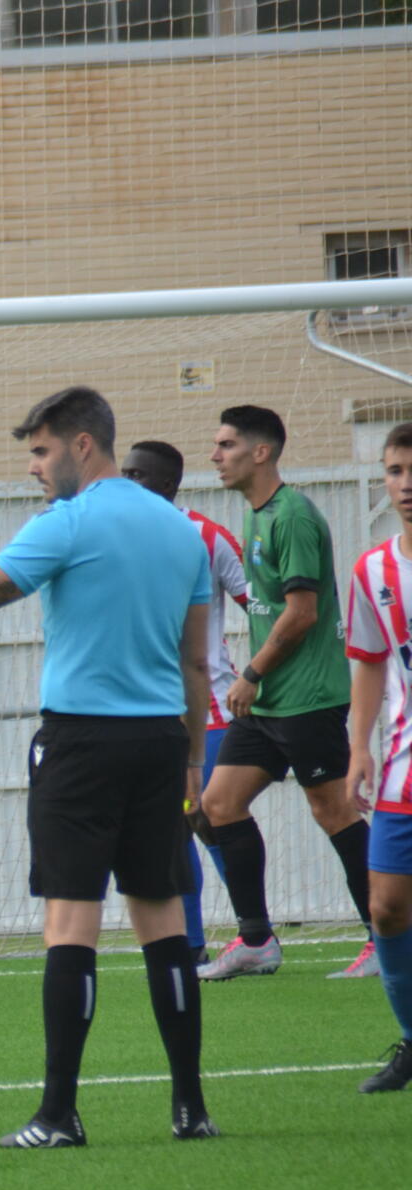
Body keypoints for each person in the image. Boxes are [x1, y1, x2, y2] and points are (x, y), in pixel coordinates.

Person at [0, 385, 215, 1147]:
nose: (36, 470)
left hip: (81, 746)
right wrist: (191, 764)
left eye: (41, 452)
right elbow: (195, 667)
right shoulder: (183, 532)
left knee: (69, 922)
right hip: (157, 746)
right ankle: (190, 1108)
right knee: (164, 921)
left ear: (84, 444)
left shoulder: (67, 524)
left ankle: (58, 1113)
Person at [199, 405, 375, 980]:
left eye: (225, 445)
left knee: (333, 812)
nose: (215, 455)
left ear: (261, 452)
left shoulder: (293, 516)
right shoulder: (255, 515)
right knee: (219, 805)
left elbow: (303, 613)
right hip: (269, 702)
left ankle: (386, 935)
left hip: (308, 699)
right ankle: (256, 941)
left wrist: (250, 673)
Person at [121, 440, 248, 964]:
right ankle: (191, 945)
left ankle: (254, 931)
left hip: (211, 709)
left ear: (169, 485)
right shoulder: (114, 538)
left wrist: (259, 676)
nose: (127, 483)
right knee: (171, 828)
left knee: (210, 819)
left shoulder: (208, 536)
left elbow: (262, 605)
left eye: (139, 475)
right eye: (123, 472)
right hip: (147, 714)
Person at [339, 420, 412, 1093]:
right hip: (402, 769)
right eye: (394, 470)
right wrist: (358, 746)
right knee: (386, 906)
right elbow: (366, 663)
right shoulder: (374, 570)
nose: (406, 484)